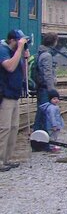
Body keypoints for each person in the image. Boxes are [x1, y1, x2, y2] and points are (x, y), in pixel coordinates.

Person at [0, 29, 32, 171]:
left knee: (13, 128)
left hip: (14, 94)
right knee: (4, 128)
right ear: (12, 40)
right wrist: (19, 49)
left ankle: (7, 158)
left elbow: (22, 73)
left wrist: (25, 59)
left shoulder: (15, 52)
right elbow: (10, 67)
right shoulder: (3, 50)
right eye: (18, 41)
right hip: (4, 94)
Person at [32, 32, 58, 141]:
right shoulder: (47, 55)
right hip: (45, 89)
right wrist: (52, 91)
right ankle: (40, 138)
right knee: (43, 114)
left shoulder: (40, 52)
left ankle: (39, 137)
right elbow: (48, 74)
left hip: (41, 87)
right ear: (53, 42)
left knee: (41, 112)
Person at [35, 89, 65, 153]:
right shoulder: (52, 108)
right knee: (52, 136)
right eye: (54, 99)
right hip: (53, 125)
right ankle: (51, 147)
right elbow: (52, 117)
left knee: (54, 136)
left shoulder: (54, 107)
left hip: (56, 124)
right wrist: (54, 125)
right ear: (50, 99)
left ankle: (53, 146)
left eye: (57, 98)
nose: (56, 100)